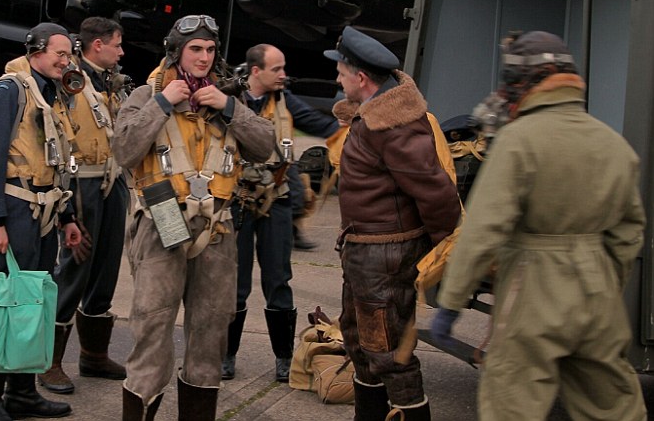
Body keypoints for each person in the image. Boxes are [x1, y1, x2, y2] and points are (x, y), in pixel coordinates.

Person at [431, 31, 647, 421]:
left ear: (522, 83)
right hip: (598, 298)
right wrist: (603, 281)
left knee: (512, 405)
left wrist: (451, 300)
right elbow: (629, 233)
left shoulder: (518, 142)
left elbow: (483, 230)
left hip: (531, 293)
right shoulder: (613, 145)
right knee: (613, 407)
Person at [112, 15, 274, 420]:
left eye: (210, 49)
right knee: (151, 330)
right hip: (160, 225)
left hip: (216, 231)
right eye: (195, 49)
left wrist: (231, 107)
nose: (204, 57)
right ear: (177, 52)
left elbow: (264, 146)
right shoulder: (146, 95)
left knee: (210, 334)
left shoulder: (224, 98)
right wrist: (163, 102)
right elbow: (125, 150)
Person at [327, 26, 460, 421]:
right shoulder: (371, 120)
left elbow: (435, 192)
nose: (336, 78)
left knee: (387, 353)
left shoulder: (394, 125)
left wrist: (441, 251)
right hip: (366, 254)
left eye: (341, 72)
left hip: (385, 256)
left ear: (361, 78)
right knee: (360, 344)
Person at [0, 22, 82, 421]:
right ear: (36, 50)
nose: (65, 60)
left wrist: (67, 217)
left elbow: (54, 160)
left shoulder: (49, 93)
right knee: (3, 304)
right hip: (15, 211)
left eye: (69, 53)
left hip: (46, 213)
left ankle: (21, 393)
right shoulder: (10, 91)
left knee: (33, 305)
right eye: (59, 53)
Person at [221, 43, 338, 383]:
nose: (284, 75)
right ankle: (226, 356)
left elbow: (321, 124)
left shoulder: (286, 101)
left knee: (278, 281)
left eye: (283, 68)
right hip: (238, 201)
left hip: (278, 201)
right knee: (235, 286)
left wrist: (350, 128)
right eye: (277, 69)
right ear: (255, 71)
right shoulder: (230, 101)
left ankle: (284, 359)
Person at [38, 17, 131, 394]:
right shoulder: (69, 80)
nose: (122, 52)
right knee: (75, 268)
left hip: (113, 181)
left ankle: (93, 354)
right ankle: (49, 362)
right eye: (117, 44)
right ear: (97, 45)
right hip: (81, 184)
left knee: (106, 266)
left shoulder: (114, 82)